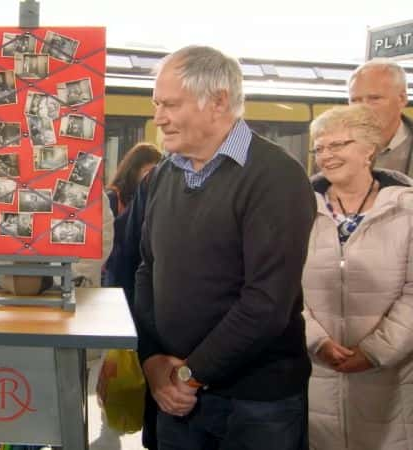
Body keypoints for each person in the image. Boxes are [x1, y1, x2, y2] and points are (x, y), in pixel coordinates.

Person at [133, 46, 315, 450]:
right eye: (156, 104)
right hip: (178, 397)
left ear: (218, 102)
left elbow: (266, 304)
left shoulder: (275, 177)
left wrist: (188, 375)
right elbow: (147, 268)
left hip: (256, 404)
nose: (158, 117)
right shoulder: (164, 174)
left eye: (170, 104)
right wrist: (153, 361)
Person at [303, 104, 413, 450]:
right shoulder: (297, 208)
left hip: (392, 381)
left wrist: (375, 351)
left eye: (338, 145)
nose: (326, 155)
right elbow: (282, 286)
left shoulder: (406, 210)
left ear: (369, 149)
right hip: (315, 375)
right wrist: (316, 341)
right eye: (320, 148)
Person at [348, 59, 412, 176]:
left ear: (402, 99)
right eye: (355, 100)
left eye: (374, 98)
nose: (363, 108)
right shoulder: (332, 146)